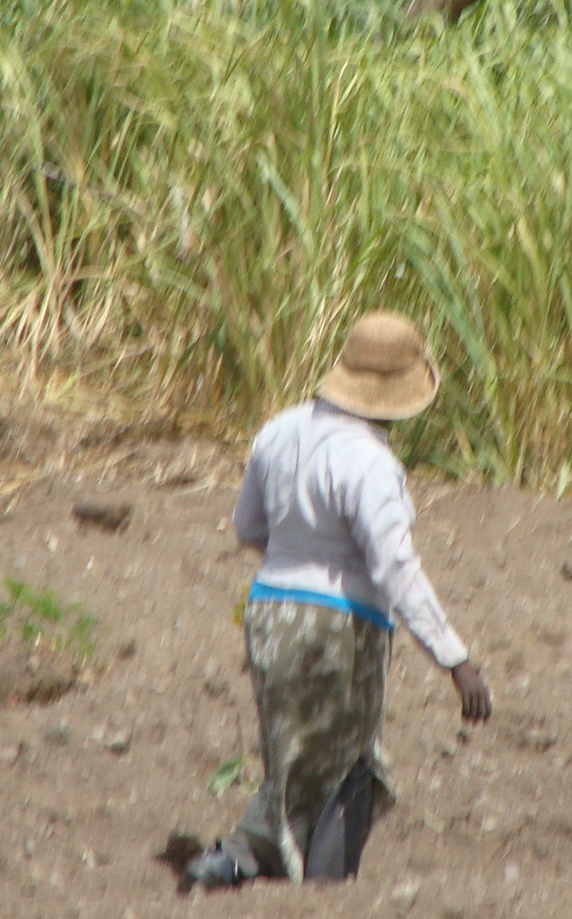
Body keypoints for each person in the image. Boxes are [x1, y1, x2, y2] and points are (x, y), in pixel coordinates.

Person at [184, 309, 492, 890]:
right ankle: (324, 891)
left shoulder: (278, 430)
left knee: (290, 758)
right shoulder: (372, 464)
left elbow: (248, 527)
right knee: (349, 767)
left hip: (270, 612)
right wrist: (456, 660)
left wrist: (297, 557)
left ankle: (241, 859)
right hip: (341, 625)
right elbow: (394, 568)